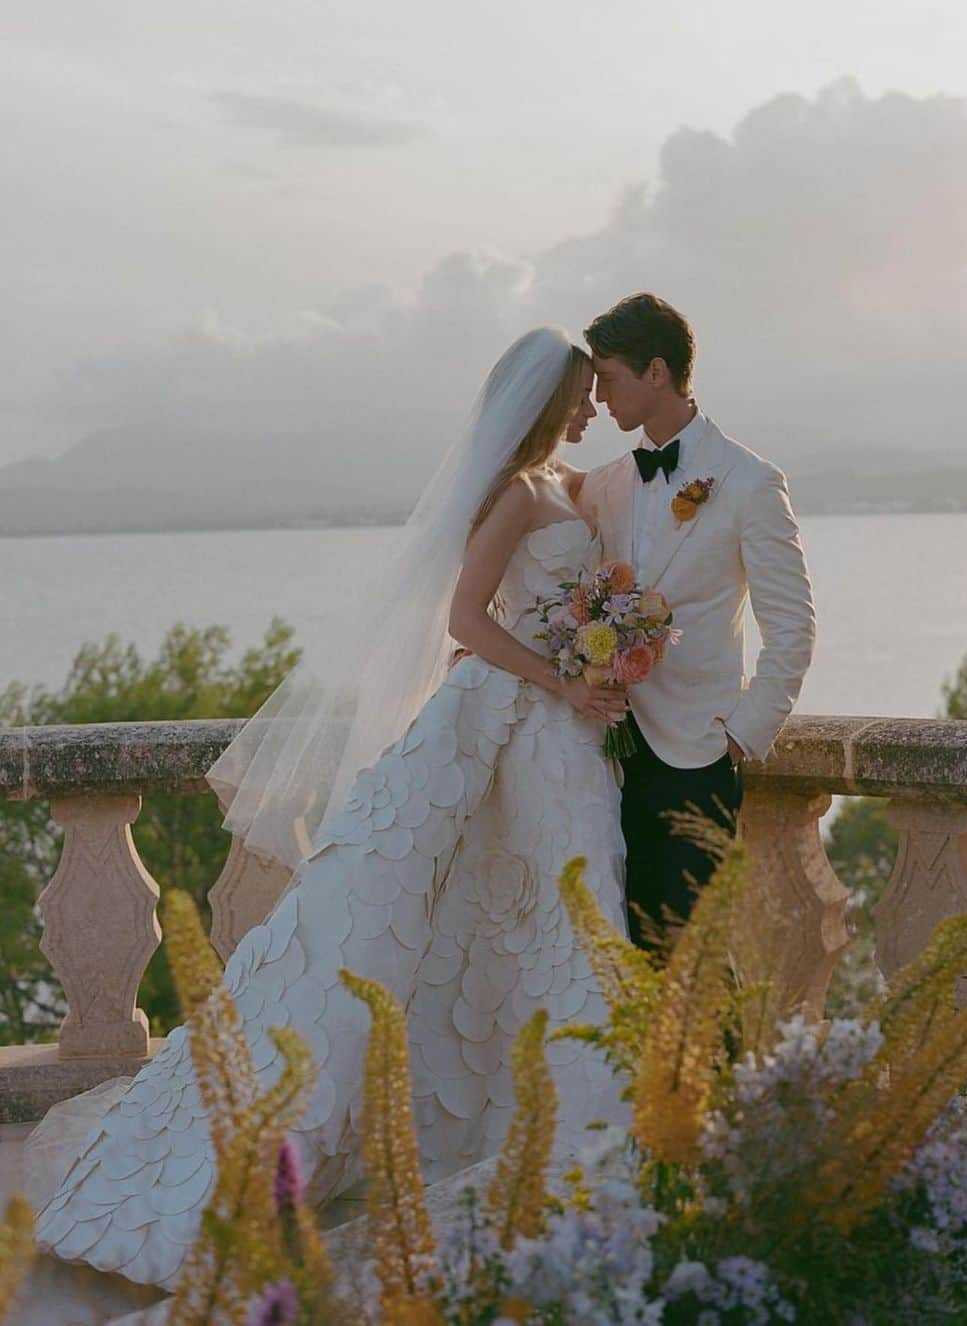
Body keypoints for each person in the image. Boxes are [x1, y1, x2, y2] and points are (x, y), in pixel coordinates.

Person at [28, 328, 631, 1291]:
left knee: (527, 914)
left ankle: (556, 1116)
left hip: (556, 730)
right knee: (404, 911)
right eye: (579, 395)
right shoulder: (517, 496)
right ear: (543, 402)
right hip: (515, 716)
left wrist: (607, 652)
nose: (592, 405)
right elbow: (466, 620)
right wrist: (564, 680)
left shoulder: (573, 483)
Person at [580, 293, 816, 945]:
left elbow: (792, 629)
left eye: (608, 377)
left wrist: (737, 737)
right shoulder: (607, 483)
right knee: (620, 955)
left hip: (695, 757)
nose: (599, 397)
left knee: (692, 957)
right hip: (603, 759)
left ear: (655, 372)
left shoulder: (749, 482)